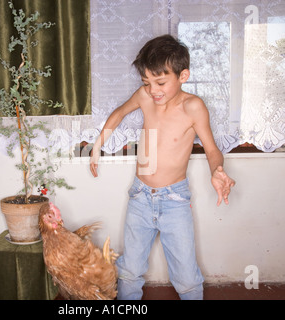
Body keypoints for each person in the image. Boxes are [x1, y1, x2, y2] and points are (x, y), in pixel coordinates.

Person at [89, 34, 235, 300]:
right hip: (140, 196)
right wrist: (99, 143)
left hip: (174, 199)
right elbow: (120, 112)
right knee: (130, 270)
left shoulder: (193, 107)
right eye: (147, 82)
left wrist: (217, 170)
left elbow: (213, 150)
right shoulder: (145, 97)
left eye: (161, 82)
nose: (153, 89)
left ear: (183, 75)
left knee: (187, 277)